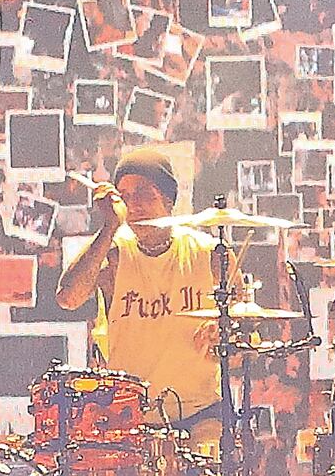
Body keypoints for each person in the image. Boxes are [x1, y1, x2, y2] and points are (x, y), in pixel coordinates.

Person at [51, 149, 225, 424]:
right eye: (125, 197)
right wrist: (109, 226)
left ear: (168, 199)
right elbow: (68, 298)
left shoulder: (209, 253)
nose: (134, 205)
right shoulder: (113, 253)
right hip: (131, 416)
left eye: (144, 193)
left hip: (201, 413)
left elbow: (246, 326)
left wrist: (224, 332)